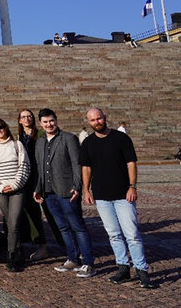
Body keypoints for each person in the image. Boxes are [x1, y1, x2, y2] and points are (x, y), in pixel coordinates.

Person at [81, 108, 155, 288]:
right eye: (93, 120)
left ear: (105, 118)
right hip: (101, 197)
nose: (97, 122)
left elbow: (131, 163)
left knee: (132, 235)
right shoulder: (88, 143)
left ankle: (141, 269)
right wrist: (86, 190)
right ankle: (123, 268)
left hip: (123, 194)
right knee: (113, 235)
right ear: (89, 123)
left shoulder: (121, 138)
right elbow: (86, 168)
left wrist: (132, 186)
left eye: (99, 118)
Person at [33, 109, 94, 278]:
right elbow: (40, 167)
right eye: (45, 122)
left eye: (51, 121)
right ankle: (73, 258)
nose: (49, 124)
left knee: (78, 227)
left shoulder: (68, 138)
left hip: (67, 190)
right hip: (49, 192)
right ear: (40, 124)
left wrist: (77, 186)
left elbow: (77, 165)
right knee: (63, 228)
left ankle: (88, 262)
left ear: (56, 120)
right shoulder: (40, 142)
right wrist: (38, 188)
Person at [0, 118, 30, 272]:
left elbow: (24, 166)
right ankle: (18, 251)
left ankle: (11, 256)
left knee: (14, 223)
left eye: (0, 127)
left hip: (17, 189)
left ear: (6, 127)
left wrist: (15, 184)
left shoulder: (17, 144)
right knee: (11, 223)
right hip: (0, 191)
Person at [16, 109, 52, 262]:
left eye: (29, 116)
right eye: (23, 116)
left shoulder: (40, 135)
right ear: (19, 120)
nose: (26, 119)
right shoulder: (17, 137)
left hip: (40, 177)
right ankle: (39, 245)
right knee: (31, 214)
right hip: (25, 180)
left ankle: (67, 244)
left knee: (50, 212)